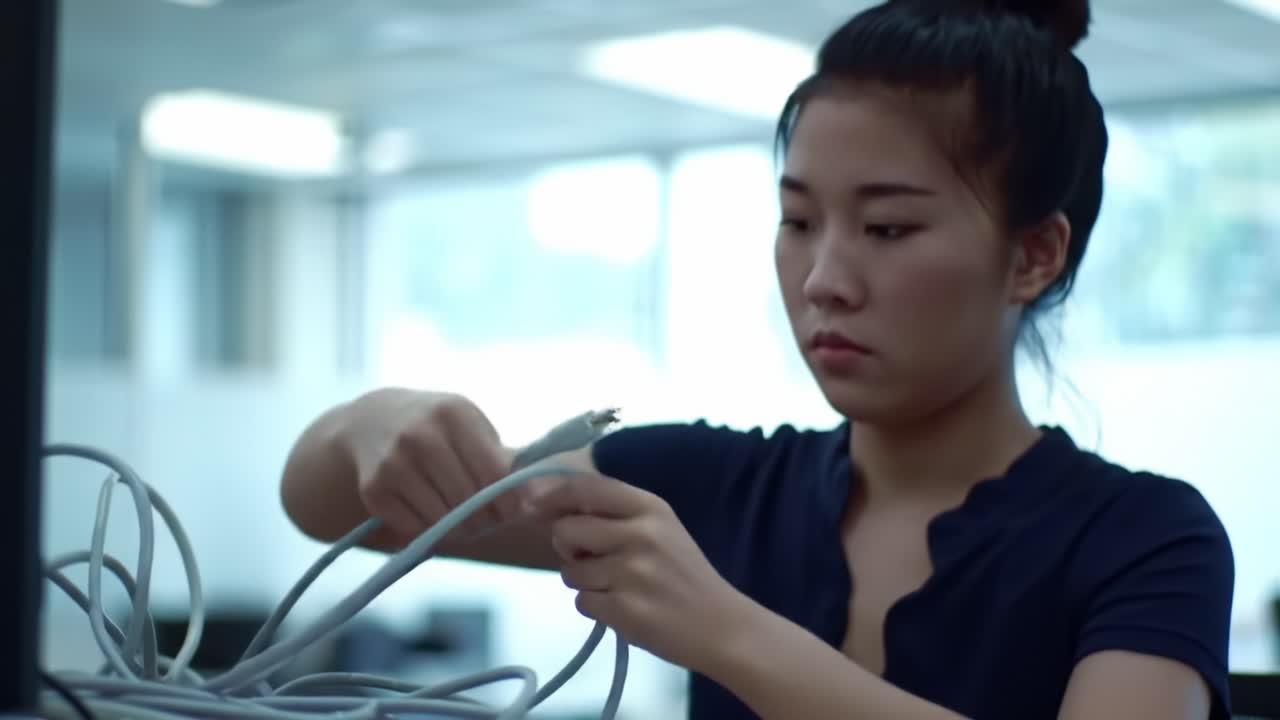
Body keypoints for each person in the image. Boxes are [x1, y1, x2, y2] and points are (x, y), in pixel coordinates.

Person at [279, 0, 1235, 717]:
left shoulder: (1148, 541)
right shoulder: (707, 484)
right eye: (798, 221)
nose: (823, 278)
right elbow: (328, 510)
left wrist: (722, 630)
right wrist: (374, 424)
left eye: (888, 227)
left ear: (1033, 254)